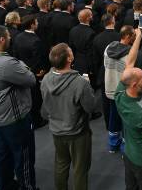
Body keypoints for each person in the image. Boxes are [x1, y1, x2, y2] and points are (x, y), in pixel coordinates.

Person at [0, 26, 37, 190]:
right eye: (8, 36)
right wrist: (23, 65)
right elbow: (30, 79)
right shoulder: (6, 63)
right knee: (24, 156)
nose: (11, 38)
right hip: (14, 118)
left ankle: (5, 185)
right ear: (2, 39)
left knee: (2, 154)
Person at [41, 43, 96, 190]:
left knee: (61, 164)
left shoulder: (46, 79)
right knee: (80, 169)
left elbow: (44, 108)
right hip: (77, 133)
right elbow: (90, 107)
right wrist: (88, 86)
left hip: (56, 131)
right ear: (69, 59)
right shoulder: (80, 83)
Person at [115, 66, 142, 190]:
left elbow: (129, 63)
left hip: (129, 153)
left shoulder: (119, 95)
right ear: (134, 85)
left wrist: (136, 44)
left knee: (131, 186)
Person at [103, 26, 142, 153]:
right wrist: (139, 39)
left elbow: (105, 65)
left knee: (113, 118)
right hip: (123, 91)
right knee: (126, 120)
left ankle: (113, 145)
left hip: (109, 89)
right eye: (133, 36)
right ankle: (125, 148)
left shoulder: (108, 47)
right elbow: (131, 68)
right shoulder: (129, 54)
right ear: (128, 37)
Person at [13, 15, 50, 128]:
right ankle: (36, 121)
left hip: (21, 70)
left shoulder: (18, 37)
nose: (38, 23)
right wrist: (39, 71)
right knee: (36, 97)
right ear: (32, 25)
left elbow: (16, 55)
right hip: (33, 73)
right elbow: (38, 59)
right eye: (36, 22)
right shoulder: (36, 40)